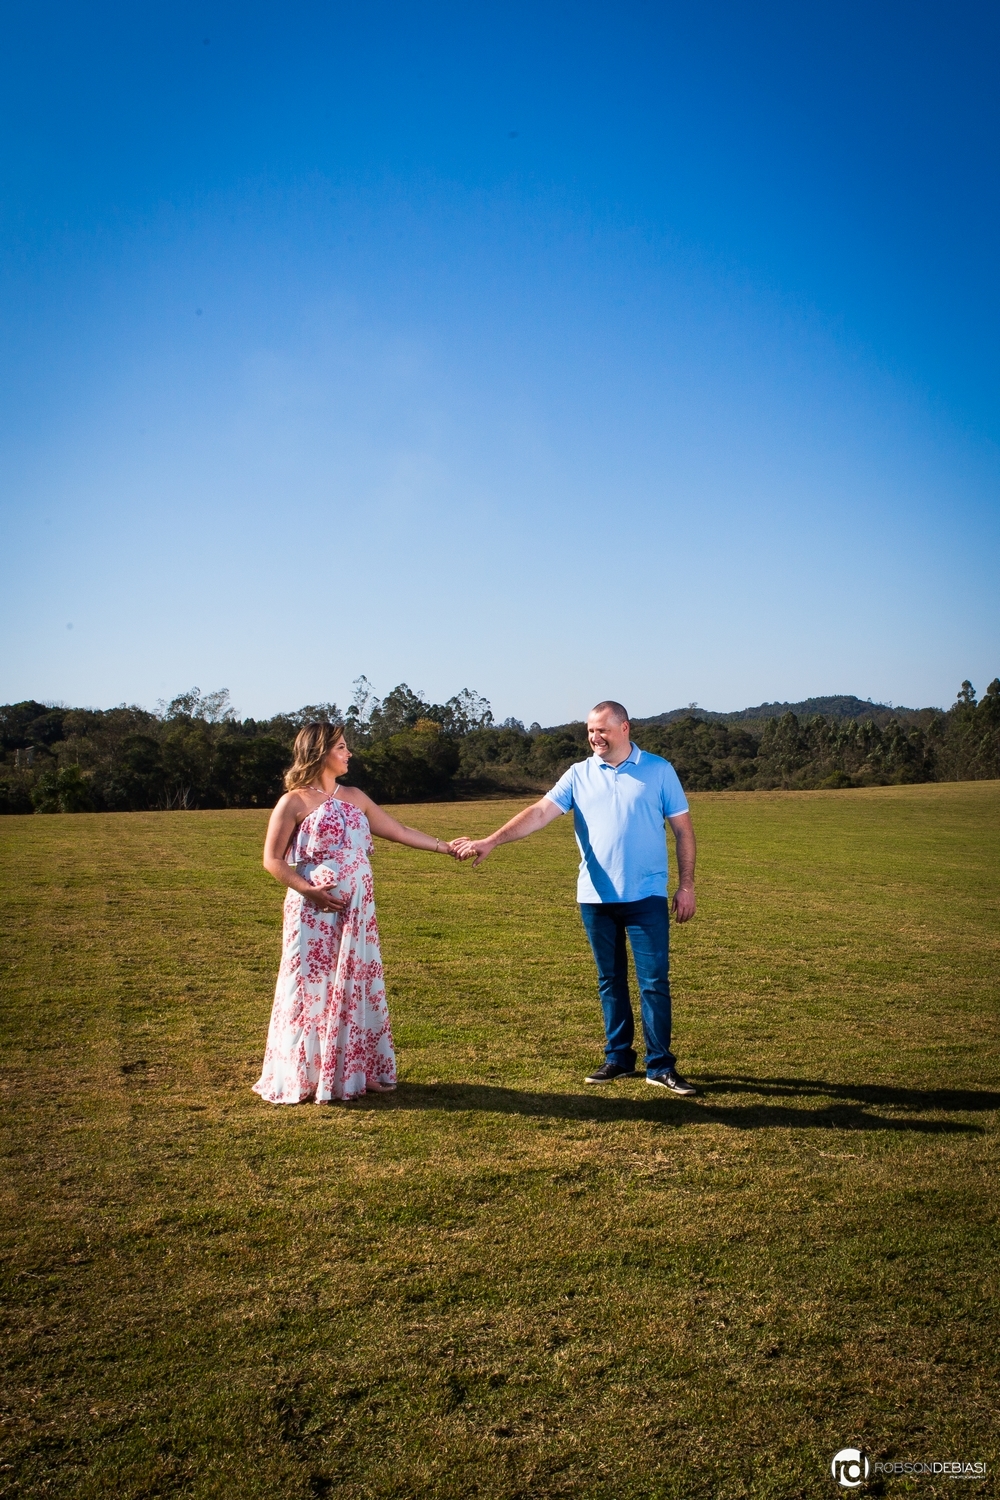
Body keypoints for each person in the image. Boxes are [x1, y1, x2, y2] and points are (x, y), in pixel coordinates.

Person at [453, 701, 698, 1095]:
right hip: (595, 898)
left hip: (646, 896)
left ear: (624, 728)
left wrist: (686, 886)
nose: (595, 737)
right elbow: (539, 812)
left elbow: (683, 831)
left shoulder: (659, 770)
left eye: (602, 730)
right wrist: (492, 840)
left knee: (654, 983)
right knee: (610, 981)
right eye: (590, 731)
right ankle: (618, 1058)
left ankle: (660, 1066)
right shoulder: (578, 774)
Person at [254, 721, 460, 1104]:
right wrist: (309, 891)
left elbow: (399, 830)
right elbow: (272, 860)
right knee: (312, 988)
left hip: (357, 914)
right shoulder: (293, 802)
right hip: (313, 913)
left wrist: (445, 847)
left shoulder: (354, 796)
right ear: (319, 752)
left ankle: (353, 1072)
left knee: (354, 985)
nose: (349, 753)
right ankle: (306, 1075)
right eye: (341, 747)